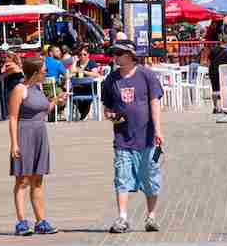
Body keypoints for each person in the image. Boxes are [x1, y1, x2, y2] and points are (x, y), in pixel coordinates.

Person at [102, 41, 164, 234]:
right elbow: (107, 107)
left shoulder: (146, 75)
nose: (116, 56)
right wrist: (110, 115)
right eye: (114, 53)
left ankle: (151, 216)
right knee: (122, 177)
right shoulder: (111, 80)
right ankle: (122, 217)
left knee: (150, 177)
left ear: (130, 55)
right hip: (122, 137)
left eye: (119, 53)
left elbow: (154, 102)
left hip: (146, 137)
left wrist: (158, 130)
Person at [8, 57, 62, 236]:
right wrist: (14, 143)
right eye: (44, 69)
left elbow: (44, 110)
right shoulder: (20, 89)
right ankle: (22, 221)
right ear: (35, 72)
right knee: (22, 180)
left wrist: (56, 100)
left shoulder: (38, 88)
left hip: (40, 133)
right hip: (24, 133)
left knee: (38, 180)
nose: (46, 72)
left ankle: (41, 221)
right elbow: (13, 117)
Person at [70, 46, 100, 120]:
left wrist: (84, 71)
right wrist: (74, 61)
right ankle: (83, 113)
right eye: (80, 54)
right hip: (78, 87)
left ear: (88, 55)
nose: (82, 56)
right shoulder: (77, 63)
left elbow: (96, 74)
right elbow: (71, 71)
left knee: (88, 98)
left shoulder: (91, 63)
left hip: (90, 87)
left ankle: (84, 114)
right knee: (71, 94)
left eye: (84, 54)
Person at [209, 35, 227, 113]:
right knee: (224, 90)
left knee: (215, 90)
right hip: (223, 73)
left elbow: (210, 59)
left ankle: (215, 107)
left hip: (213, 72)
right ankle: (224, 107)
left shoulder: (213, 50)